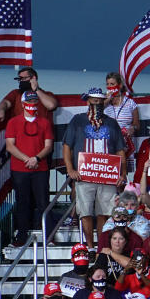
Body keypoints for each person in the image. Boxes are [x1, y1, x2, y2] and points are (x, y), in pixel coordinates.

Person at [62, 88, 127, 252]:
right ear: (87, 101)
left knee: (105, 212)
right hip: (84, 175)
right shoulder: (77, 121)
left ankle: (102, 246)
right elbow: (67, 146)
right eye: (93, 101)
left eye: (99, 101)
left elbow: (120, 150)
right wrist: (70, 169)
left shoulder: (112, 123)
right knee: (85, 212)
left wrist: (123, 173)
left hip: (107, 175)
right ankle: (90, 247)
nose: (97, 104)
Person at [4, 91, 54, 246]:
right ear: (24, 104)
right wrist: (27, 159)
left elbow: (48, 145)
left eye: (34, 102)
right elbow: (10, 145)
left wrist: (36, 158)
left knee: (43, 202)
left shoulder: (45, 122)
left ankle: (49, 236)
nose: (32, 105)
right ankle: (21, 236)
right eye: (29, 102)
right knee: (22, 202)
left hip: (40, 168)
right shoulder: (13, 122)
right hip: (20, 168)